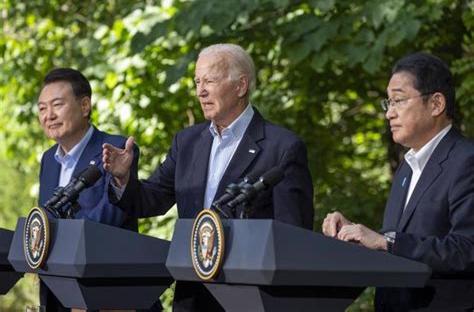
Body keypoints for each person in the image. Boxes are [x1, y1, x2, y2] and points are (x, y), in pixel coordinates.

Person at [103, 43, 314, 311]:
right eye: (197, 82)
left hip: (250, 297)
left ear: (241, 86)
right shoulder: (187, 142)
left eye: (210, 81)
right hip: (192, 295)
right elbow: (150, 200)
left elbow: (293, 236)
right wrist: (122, 179)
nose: (200, 91)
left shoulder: (282, 147)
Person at [322, 53, 474, 311]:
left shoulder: (466, 161)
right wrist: (360, 236)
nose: (389, 114)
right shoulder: (406, 168)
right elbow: (403, 243)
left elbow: (467, 249)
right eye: (388, 103)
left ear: (436, 104)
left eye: (399, 101)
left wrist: (387, 242)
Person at [37, 68, 139, 311]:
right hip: (57, 292)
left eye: (57, 105)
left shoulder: (115, 149)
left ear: (84, 106)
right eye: (42, 108)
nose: (48, 115)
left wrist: (57, 241)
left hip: (103, 293)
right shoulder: (48, 159)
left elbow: (110, 217)